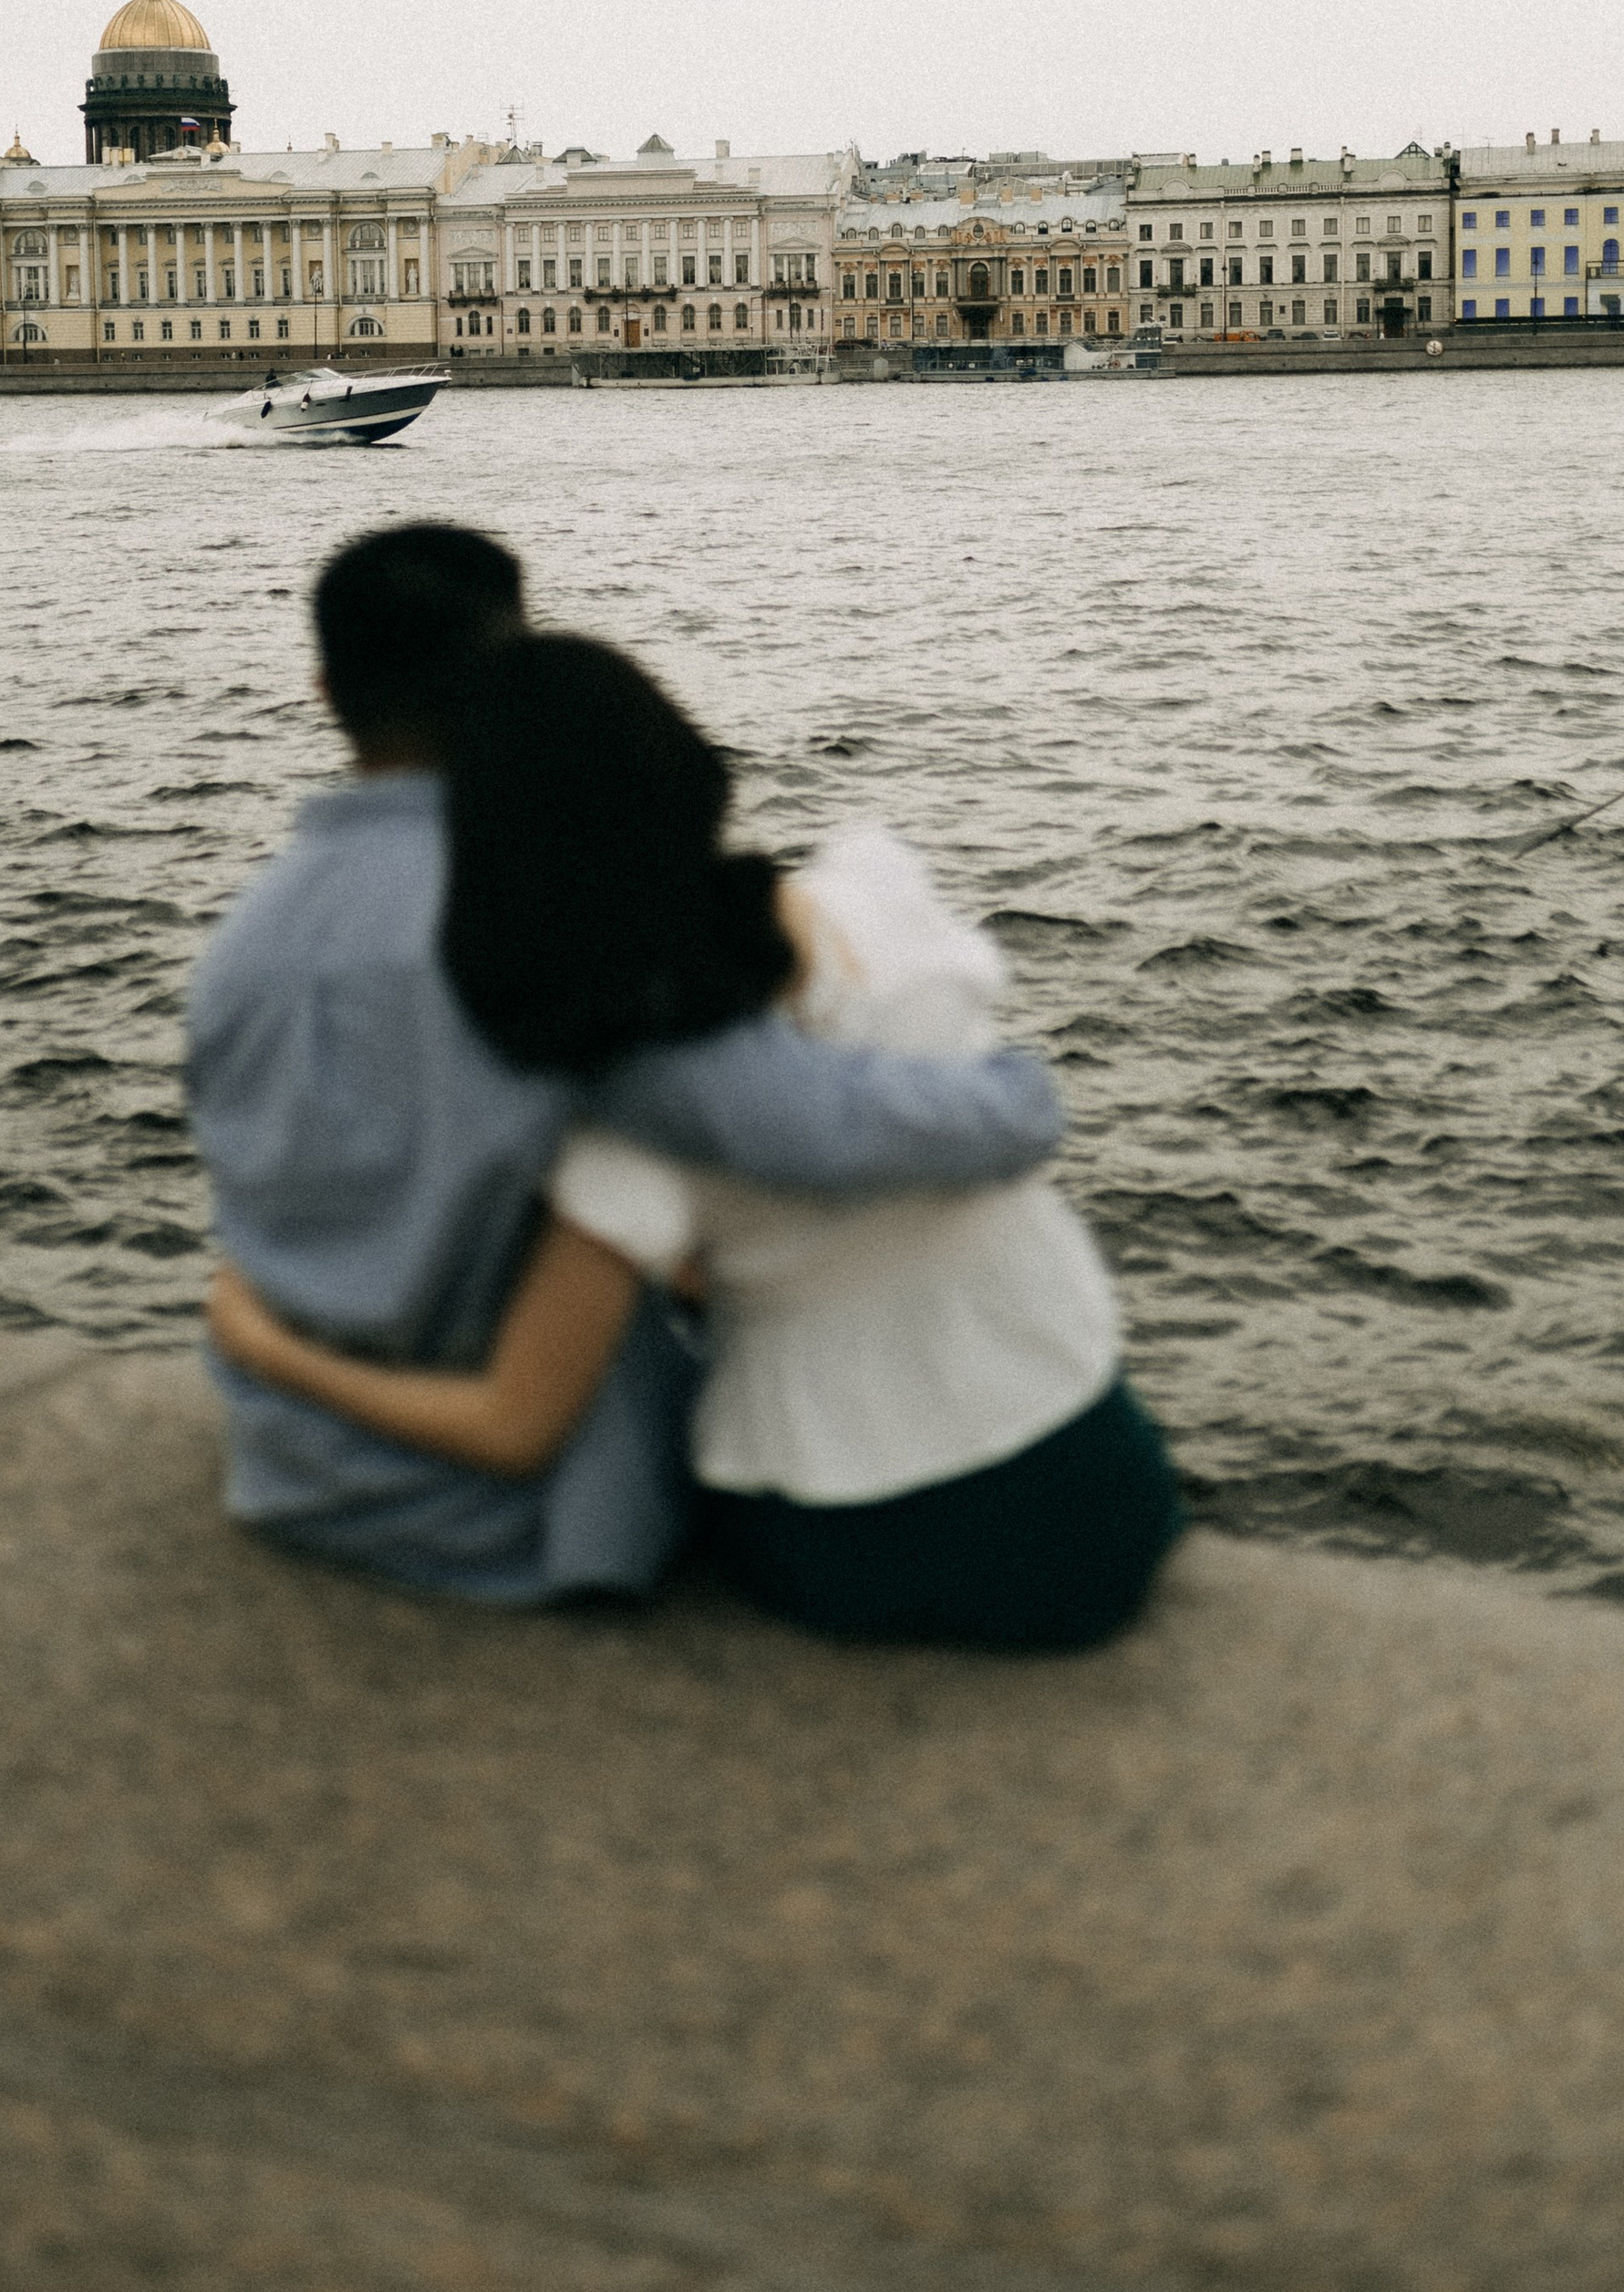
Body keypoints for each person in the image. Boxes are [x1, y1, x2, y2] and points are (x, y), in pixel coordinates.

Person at [209, 632, 1182, 1652]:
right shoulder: (874, 915)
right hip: (1099, 1476)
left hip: (860, 1532)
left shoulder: (625, 1127)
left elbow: (512, 1427)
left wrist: (267, 1346)